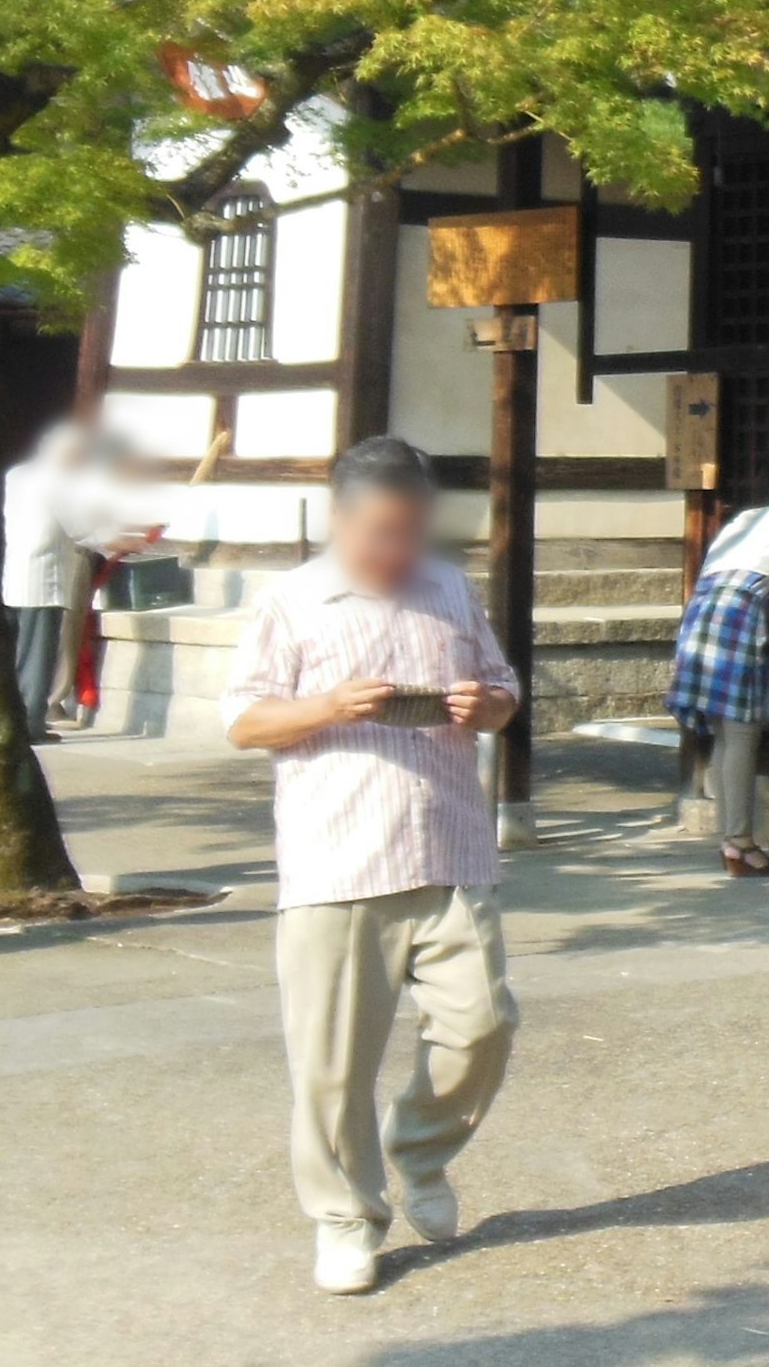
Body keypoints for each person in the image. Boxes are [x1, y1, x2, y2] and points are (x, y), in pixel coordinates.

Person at [223, 435, 521, 1297]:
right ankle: (346, 1217)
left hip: (451, 849)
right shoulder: (294, 600)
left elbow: (502, 687)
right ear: (340, 519)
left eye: (414, 532)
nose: (400, 550)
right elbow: (242, 719)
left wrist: (487, 702)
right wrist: (325, 705)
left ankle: (419, 1149)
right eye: (384, 533)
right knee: (332, 1065)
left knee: (484, 1025)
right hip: (337, 862)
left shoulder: (449, 587)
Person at [668, 517, 769, 875]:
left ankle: (731, 841)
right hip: (736, 626)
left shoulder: (739, 524)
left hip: (700, 621)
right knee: (742, 735)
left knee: (723, 737)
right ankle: (741, 842)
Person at [0, 424, 84, 741]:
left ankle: (15, 718)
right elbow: (80, 527)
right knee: (38, 656)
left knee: (19, 653)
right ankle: (30, 723)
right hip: (43, 576)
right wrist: (115, 541)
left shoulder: (18, 475)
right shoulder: (58, 480)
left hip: (16, 570)